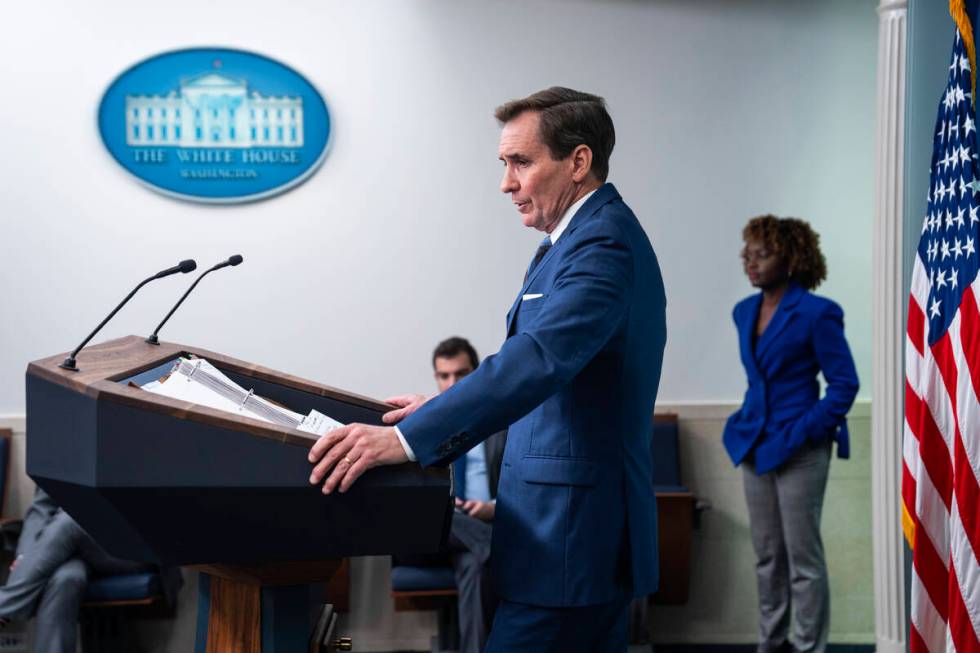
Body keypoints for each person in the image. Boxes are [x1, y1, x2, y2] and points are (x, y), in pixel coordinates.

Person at [309, 86, 667, 652]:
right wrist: (440, 407)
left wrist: (405, 439)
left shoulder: (603, 245)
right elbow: (553, 379)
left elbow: (538, 360)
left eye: (521, 163)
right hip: (561, 538)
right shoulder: (570, 242)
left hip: (571, 540)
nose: (506, 183)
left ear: (578, 161)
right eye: (505, 164)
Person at [723, 215, 859, 653]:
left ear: (791, 257)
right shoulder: (743, 311)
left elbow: (844, 385)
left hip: (800, 448)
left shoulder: (819, 313)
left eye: (762, 254)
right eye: (748, 253)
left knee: (803, 561)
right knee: (767, 557)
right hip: (755, 445)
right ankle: (771, 642)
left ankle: (807, 646)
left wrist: (805, 431)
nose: (751, 262)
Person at [0, 489, 182, 653]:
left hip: (133, 547)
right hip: (70, 547)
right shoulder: (62, 451)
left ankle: (4, 607)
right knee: (65, 578)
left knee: (71, 520)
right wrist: (26, 556)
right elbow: (42, 506)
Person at [427, 336, 506, 653]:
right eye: (444, 376)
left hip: (480, 526)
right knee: (448, 519)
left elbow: (521, 485)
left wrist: (492, 509)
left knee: (475, 565)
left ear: (476, 373)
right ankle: (492, 547)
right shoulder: (425, 422)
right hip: (438, 530)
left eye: (461, 374)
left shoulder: (499, 421)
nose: (452, 383)